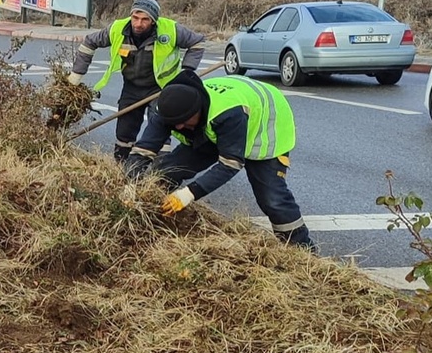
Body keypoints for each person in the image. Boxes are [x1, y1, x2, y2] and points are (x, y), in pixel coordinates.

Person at [124, 73, 316, 251]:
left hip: (264, 126)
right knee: (166, 171)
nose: (179, 127)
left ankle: (302, 250)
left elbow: (230, 163)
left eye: (184, 121)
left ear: (199, 109)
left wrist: (188, 194)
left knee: (273, 199)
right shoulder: (168, 110)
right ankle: (153, 223)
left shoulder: (228, 113)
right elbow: (144, 149)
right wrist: (129, 184)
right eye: (175, 123)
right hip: (214, 128)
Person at [68, 0, 205, 162]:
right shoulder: (117, 28)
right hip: (132, 88)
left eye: (145, 19)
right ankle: (122, 168)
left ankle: (159, 174)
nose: (139, 24)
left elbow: (197, 43)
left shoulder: (170, 30)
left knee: (159, 131)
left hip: (161, 89)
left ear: (154, 20)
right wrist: (76, 76)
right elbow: (89, 42)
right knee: (124, 132)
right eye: (135, 18)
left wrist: (187, 71)